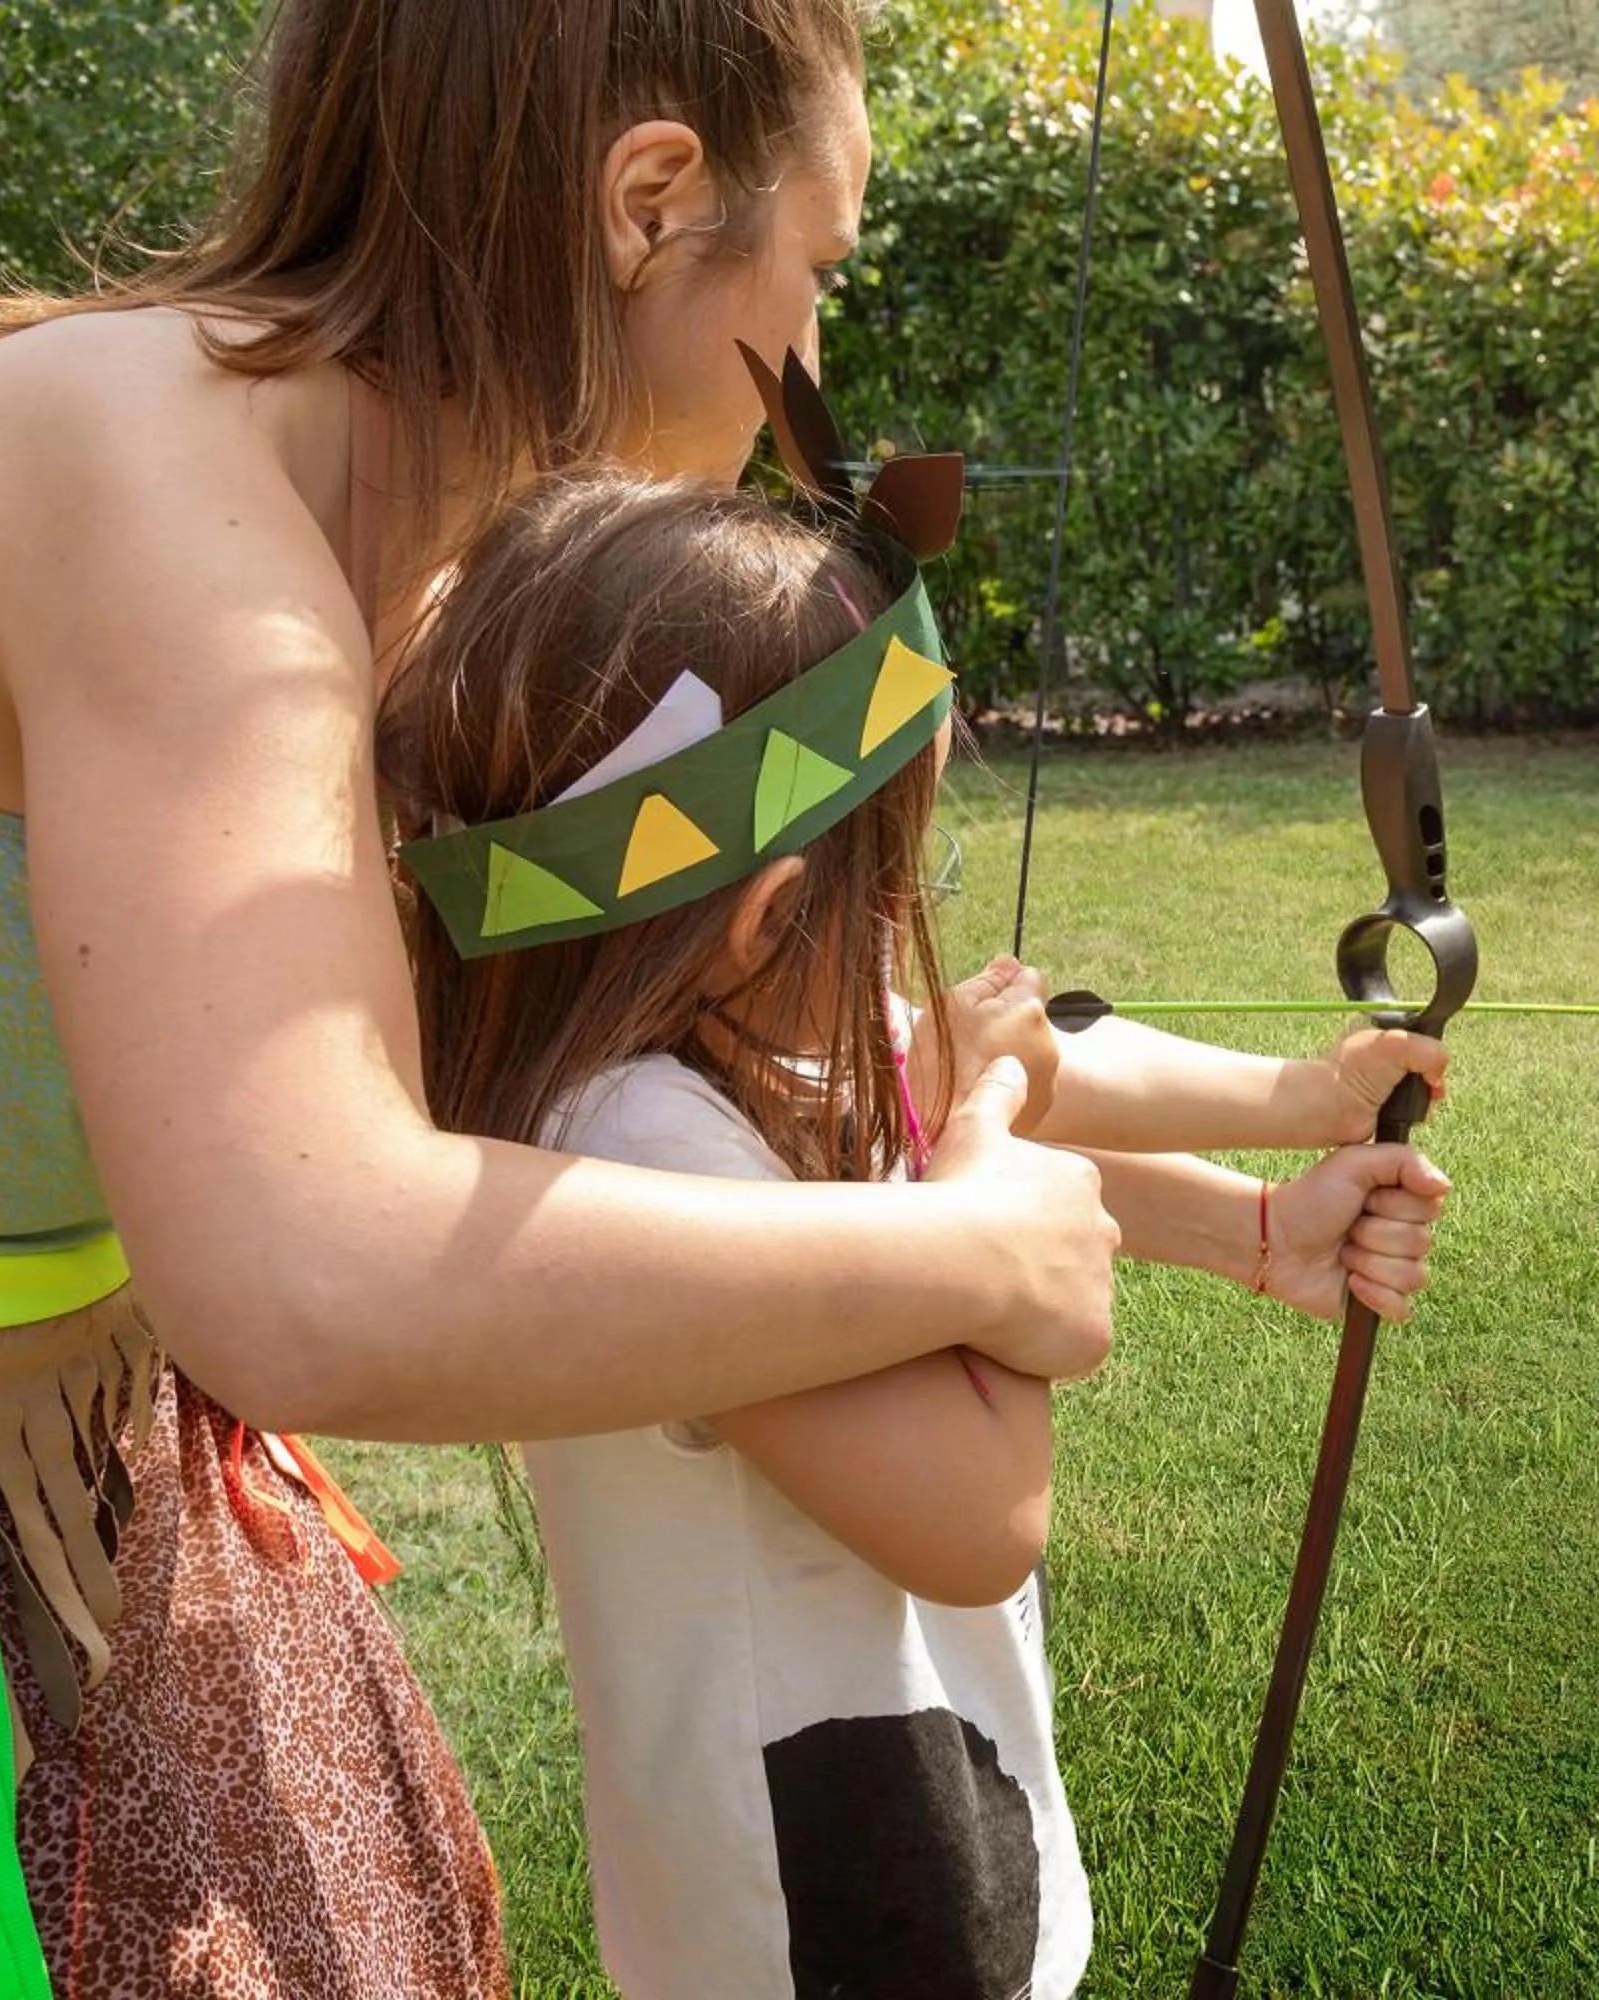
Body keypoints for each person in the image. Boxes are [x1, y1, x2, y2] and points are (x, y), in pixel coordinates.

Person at [0, 0, 1447, 1992]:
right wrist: (976, 1255)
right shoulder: (169, 513)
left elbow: (761, 1074)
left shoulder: (413, 585)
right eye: (817, 273)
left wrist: (1232, 1215)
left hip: (39, 1449)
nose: (812, 364)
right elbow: (313, 1272)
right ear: (650, 201)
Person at [377, 465, 1442, 2000]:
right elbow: (971, 1518)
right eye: (906, 876)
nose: (917, 927)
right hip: (831, 1894)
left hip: (901, 1798)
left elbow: (993, 1066)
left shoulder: (714, 1031)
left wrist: (1283, 1167)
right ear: (765, 918)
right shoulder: (647, 1150)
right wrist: (983, 1156)